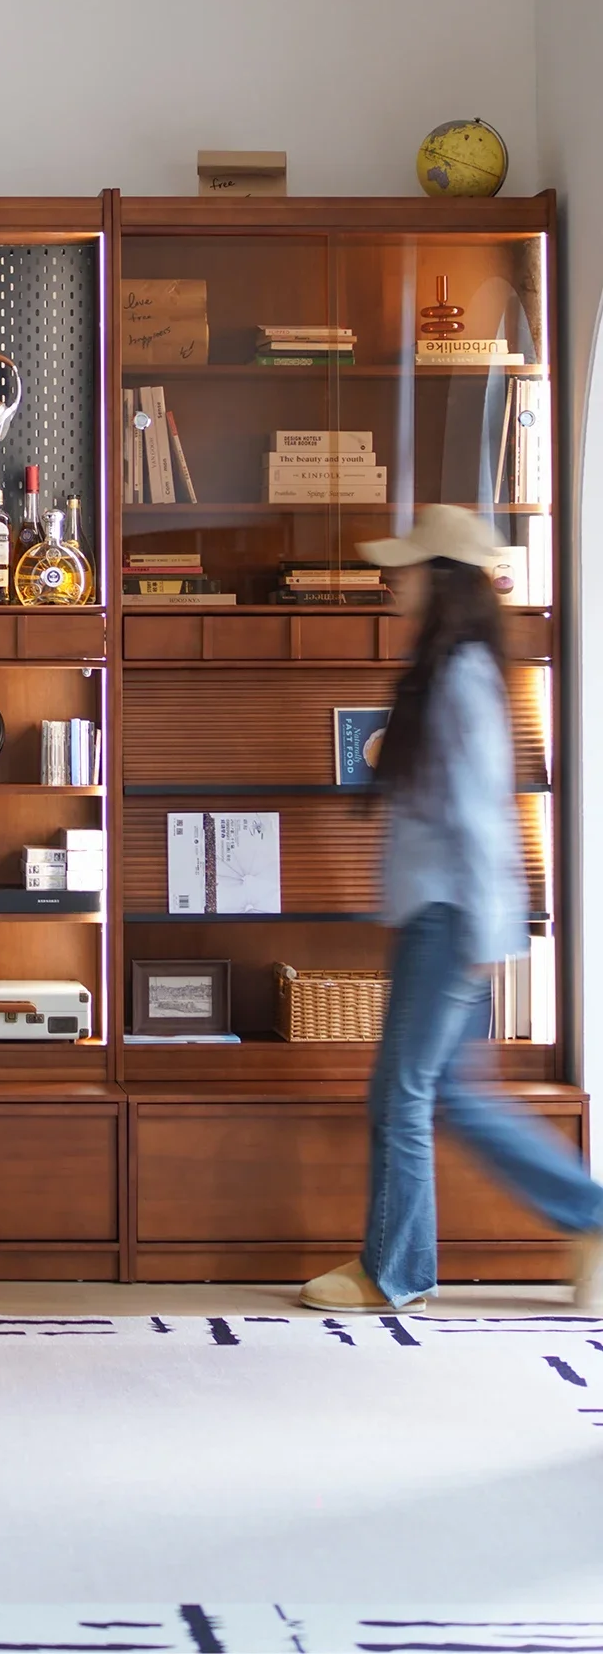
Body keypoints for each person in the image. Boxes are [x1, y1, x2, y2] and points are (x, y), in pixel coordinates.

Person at [299, 504, 603, 1315]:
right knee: (454, 1096)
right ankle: (591, 1216)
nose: (389, 581)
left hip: (450, 916)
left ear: (440, 580)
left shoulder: (462, 678)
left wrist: (479, 932)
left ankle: (392, 1272)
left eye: (403, 569)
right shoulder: (453, 672)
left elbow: (476, 815)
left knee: (398, 1092)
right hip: (445, 914)